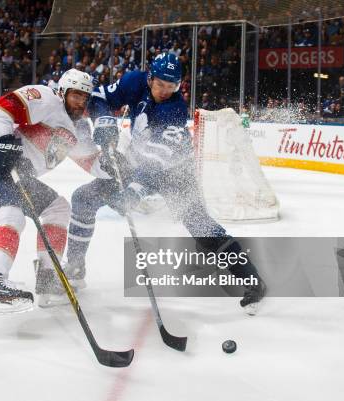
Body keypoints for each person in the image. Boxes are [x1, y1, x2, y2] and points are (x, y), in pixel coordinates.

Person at [64, 53, 266, 314]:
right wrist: (104, 121)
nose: (165, 91)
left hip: (175, 175)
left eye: (172, 86)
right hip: (138, 164)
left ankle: (253, 280)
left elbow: (156, 163)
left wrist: (133, 193)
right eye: (160, 84)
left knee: (202, 228)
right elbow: (99, 97)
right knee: (83, 198)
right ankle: (76, 265)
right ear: (150, 78)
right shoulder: (134, 82)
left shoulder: (175, 109)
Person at [0, 69, 110, 315]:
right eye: (76, 95)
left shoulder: (78, 130)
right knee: (11, 215)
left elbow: (92, 164)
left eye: (84, 97)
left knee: (58, 208)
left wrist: (113, 165)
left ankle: (47, 280)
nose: (80, 102)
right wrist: (5, 143)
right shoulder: (46, 98)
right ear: (63, 92)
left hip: (20, 176)